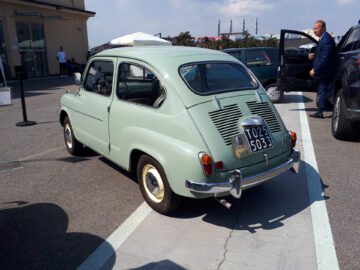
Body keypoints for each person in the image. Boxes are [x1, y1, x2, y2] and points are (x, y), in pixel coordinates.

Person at [308, 20, 337, 118]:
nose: (314, 30)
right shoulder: (323, 38)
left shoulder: (327, 40)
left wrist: (315, 69)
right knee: (324, 91)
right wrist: (314, 55)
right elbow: (322, 53)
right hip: (325, 71)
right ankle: (321, 111)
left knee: (324, 91)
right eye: (314, 28)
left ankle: (322, 111)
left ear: (324, 28)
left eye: (317, 28)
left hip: (326, 72)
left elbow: (325, 58)